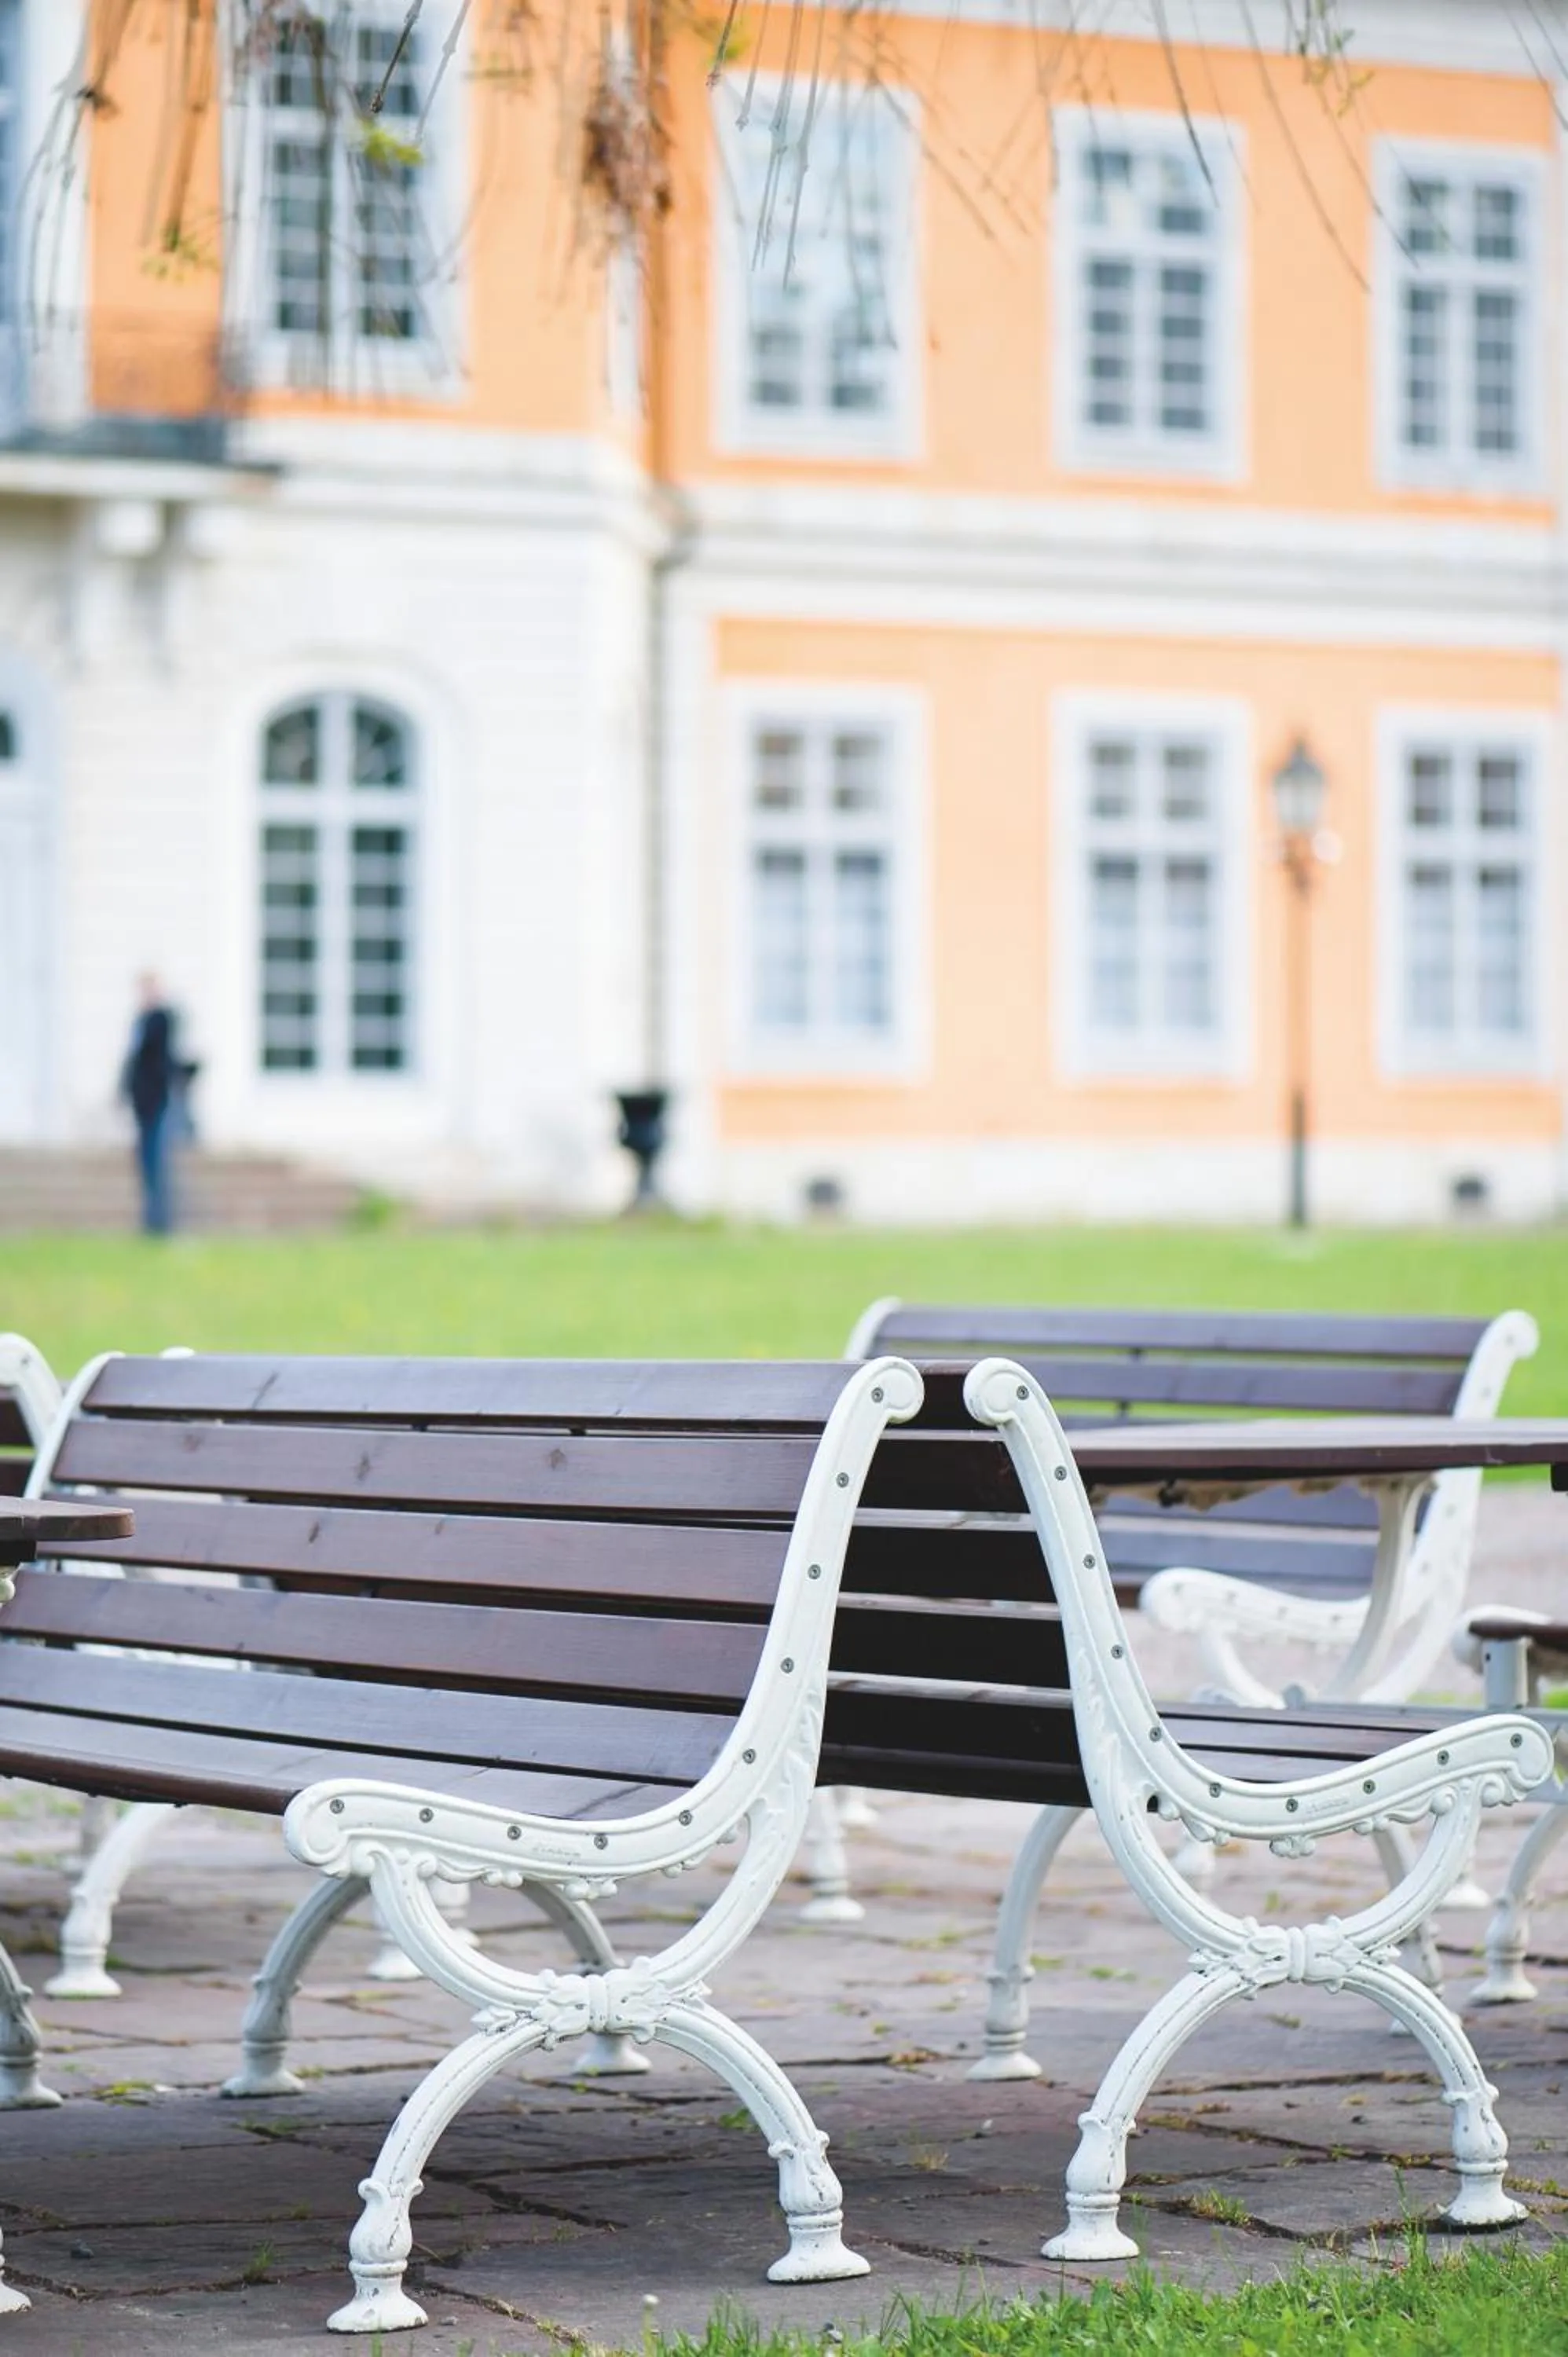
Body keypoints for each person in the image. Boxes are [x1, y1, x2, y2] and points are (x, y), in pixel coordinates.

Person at [121, 974, 184, 1236]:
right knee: (147, 1161)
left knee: (157, 1160)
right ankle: (151, 1219)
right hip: (141, 1100)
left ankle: (160, 1221)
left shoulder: (160, 1020)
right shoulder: (141, 1021)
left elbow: (161, 1058)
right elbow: (133, 1060)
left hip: (156, 1099)